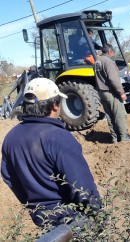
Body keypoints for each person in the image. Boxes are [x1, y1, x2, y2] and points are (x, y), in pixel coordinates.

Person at [1, 78, 101, 227]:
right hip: (71, 219)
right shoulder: (59, 137)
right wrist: (96, 214)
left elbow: (10, 179)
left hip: (42, 218)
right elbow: (82, 186)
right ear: (55, 106)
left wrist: (34, 207)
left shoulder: (11, 137)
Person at [94, 44, 130, 143]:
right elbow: (113, 79)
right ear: (109, 52)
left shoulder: (97, 62)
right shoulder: (108, 62)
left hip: (101, 92)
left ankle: (114, 138)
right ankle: (124, 137)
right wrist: (121, 92)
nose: (113, 54)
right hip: (111, 93)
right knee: (119, 114)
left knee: (110, 116)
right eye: (113, 52)